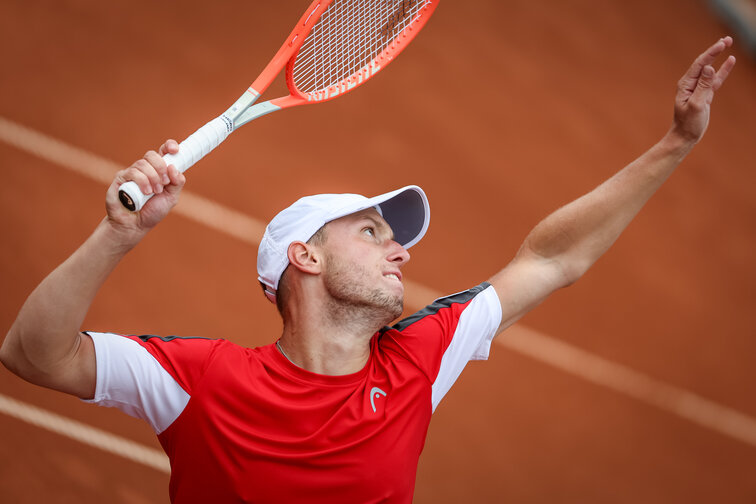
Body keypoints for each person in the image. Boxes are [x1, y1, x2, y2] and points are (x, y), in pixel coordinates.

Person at [0, 37, 736, 503]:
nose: (402, 251)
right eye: (373, 231)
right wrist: (115, 238)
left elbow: (551, 258)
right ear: (306, 258)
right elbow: (33, 356)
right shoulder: (201, 381)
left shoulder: (421, 356)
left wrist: (674, 143)